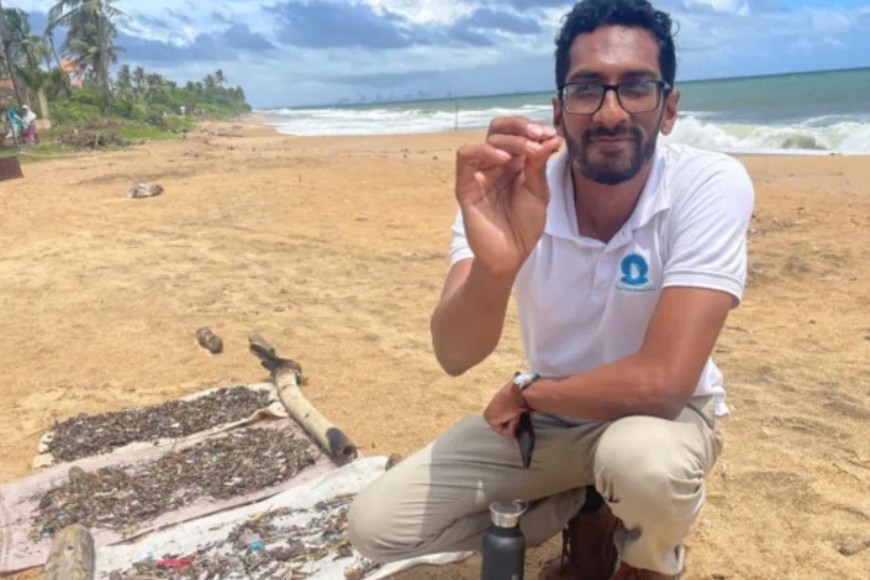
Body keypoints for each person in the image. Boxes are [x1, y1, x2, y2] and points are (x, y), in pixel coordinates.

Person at [347, 0, 755, 578]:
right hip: (554, 425)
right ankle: (585, 503)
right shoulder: (510, 193)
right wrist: (498, 263)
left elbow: (664, 385)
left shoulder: (707, 183)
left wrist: (531, 392)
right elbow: (455, 353)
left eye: (636, 87)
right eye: (587, 90)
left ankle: (648, 559)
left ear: (669, 109)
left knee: (642, 464)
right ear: (559, 111)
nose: (611, 113)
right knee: (378, 525)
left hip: (661, 422)